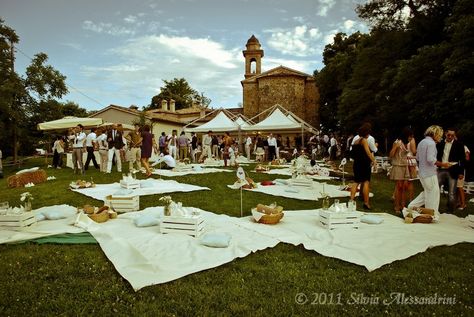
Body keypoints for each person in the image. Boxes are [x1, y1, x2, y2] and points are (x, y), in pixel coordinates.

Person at [408, 125, 449, 217]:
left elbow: (418, 157)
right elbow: (430, 159)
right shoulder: (431, 144)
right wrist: (444, 164)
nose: (440, 137)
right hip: (429, 173)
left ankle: (411, 206)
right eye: (440, 135)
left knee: (427, 192)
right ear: (435, 134)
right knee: (433, 195)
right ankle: (432, 215)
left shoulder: (422, 142)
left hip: (422, 173)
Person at [436, 128, 466, 212]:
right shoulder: (440, 143)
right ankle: (434, 206)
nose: (450, 137)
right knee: (435, 189)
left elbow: (462, 160)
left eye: (452, 135)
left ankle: (450, 210)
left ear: (454, 136)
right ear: (445, 134)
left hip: (453, 170)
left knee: (452, 192)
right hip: (441, 169)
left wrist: (461, 172)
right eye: (448, 135)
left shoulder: (459, 144)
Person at [350, 123, 376, 209]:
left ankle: (351, 200)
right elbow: (368, 153)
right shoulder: (364, 140)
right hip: (364, 164)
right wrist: (374, 161)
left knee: (356, 181)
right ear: (366, 133)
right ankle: (366, 202)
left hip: (356, 163)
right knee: (366, 182)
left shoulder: (356, 141)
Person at [389, 127, 415, 213]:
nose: (411, 138)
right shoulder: (397, 142)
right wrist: (395, 147)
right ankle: (397, 206)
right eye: (410, 136)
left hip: (405, 166)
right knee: (399, 186)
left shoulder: (406, 143)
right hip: (398, 166)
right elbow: (391, 155)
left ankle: (402, 205)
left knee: (404, 187)